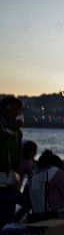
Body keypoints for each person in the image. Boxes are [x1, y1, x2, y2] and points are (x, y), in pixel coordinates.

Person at [23, 150, 64, 222]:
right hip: (60, 216)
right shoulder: (56, 173)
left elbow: (27, 201)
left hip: (38, 217)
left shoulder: (33, 178)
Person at [0, 96, 24, 227]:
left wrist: (18, 173)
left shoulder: (17, 132)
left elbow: (18, 156)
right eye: (12, 108)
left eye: (18, 109)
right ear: (3, 110)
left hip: (11, 177)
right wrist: (10, 130)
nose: (16, 112)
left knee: (9, 211)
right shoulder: (9, 130)